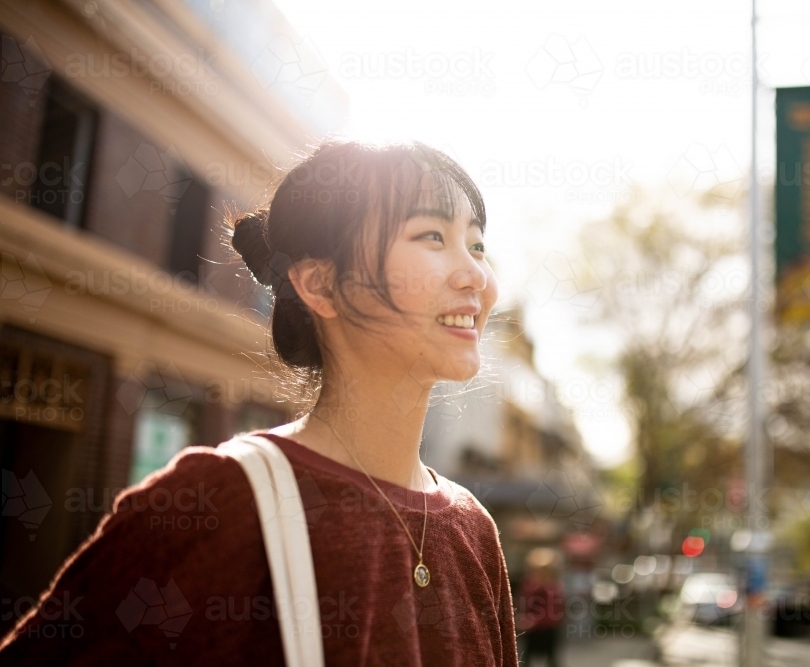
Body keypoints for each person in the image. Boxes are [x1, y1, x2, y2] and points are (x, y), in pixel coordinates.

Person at [0, 140, 515, 665]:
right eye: (432, 235)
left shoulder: (473, 529)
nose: (477, 275)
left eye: (476, 244)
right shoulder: (217, 501)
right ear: (321, 284)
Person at [517, 548, 565, 667]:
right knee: (526, 657)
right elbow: (525, 604)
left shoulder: (554, 587)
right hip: (532, 629)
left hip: (548, 628)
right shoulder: (529, 585)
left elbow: (554, 610)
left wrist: (534, 621)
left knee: (551, 657)